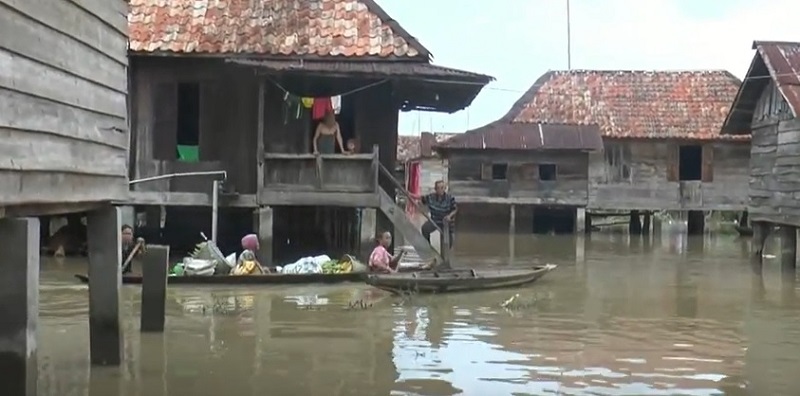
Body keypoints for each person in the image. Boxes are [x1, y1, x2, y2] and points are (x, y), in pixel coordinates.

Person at [419, 180, 457, 248]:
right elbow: (420, 198)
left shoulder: (450, 198)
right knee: (424, 228)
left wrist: (449, 216)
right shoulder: (431, 197)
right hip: (435, 220)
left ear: (445, 188)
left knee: (448, 242)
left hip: (446, 222)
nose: (440, 190)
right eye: (438, 188)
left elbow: (455, 209)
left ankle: (446, 254)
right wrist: (410, 195)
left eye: (442, 188)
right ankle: (428, 247)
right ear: (435, 189)